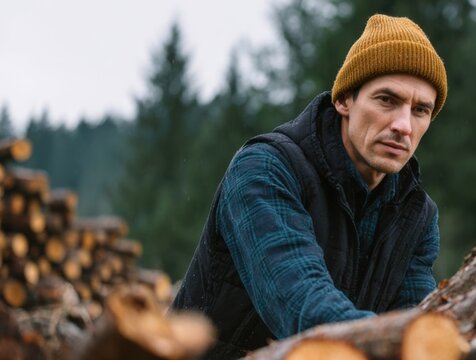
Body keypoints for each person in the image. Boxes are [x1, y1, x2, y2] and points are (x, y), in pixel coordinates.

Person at [170, 14, 447, 358]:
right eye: (386, 100)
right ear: (344, 100)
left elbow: (414, 318)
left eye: (420, 110)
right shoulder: (265, 170)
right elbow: (300, 302)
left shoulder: (415, 214)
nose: (403, 125)